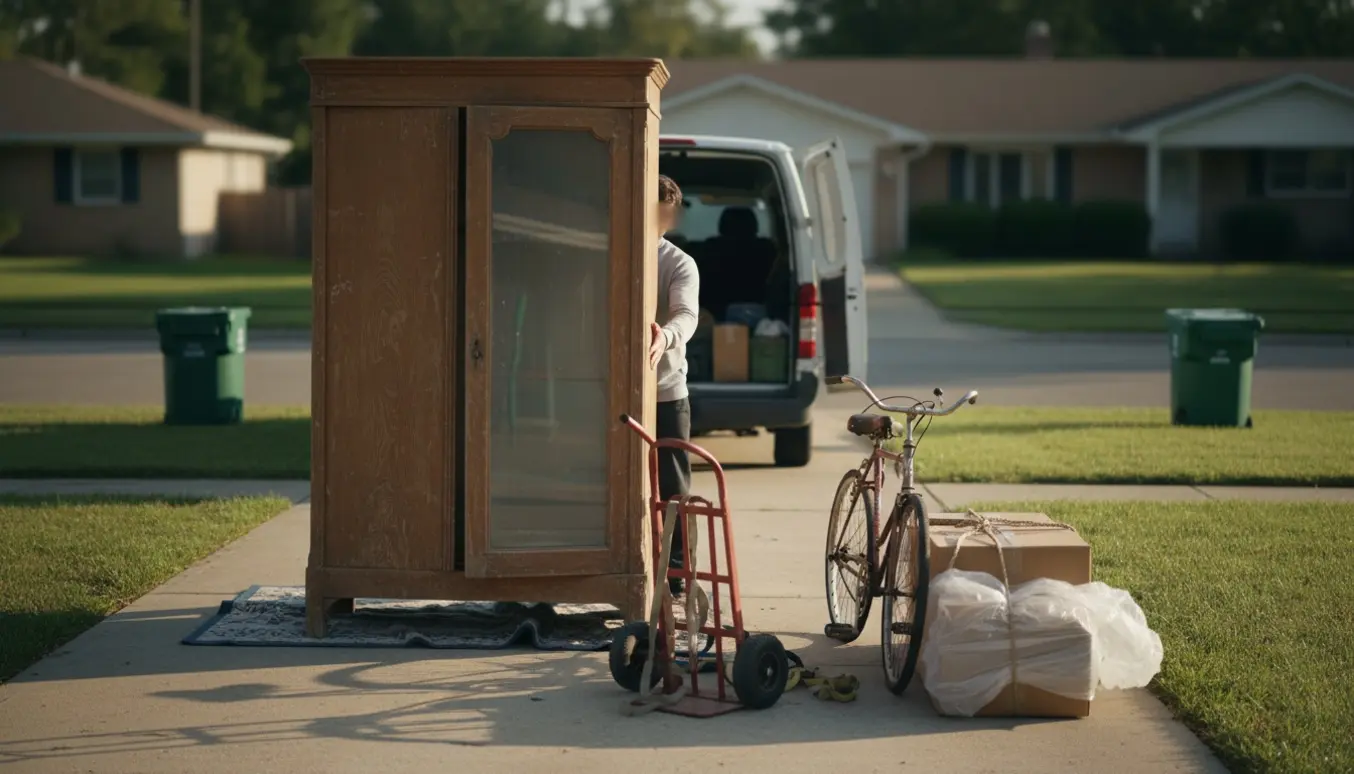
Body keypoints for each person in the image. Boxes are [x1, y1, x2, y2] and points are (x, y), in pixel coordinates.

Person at [648, 175, 699, 597]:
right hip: (616, 391)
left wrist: (664, 336)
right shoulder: (613, 251)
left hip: (666, 390)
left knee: (673, 486)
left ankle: (678, 574)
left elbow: (686, 314)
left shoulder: (678, 262)